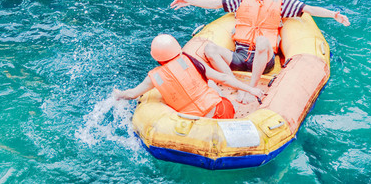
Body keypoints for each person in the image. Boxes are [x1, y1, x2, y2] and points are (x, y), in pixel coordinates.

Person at [170, 0, 350, 104]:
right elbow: (217, 3)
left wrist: (334, 15)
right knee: (209, 49)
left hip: (265, 60)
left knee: (263, 41)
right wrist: (189, 0)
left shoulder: (282, 1)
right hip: (241, 55)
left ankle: (252, 88)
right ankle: (240, 87)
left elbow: (308, 8)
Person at [113, 34, 264, 119]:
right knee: (211, 83)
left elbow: (132, 94)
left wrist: (118, 94)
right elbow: (224, 79)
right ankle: (234, 105)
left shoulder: (154, 77)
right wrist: (252, 90)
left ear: (157, 58)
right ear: (178, 51)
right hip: (221, 112)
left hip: (196, 123)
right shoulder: (190, 61)